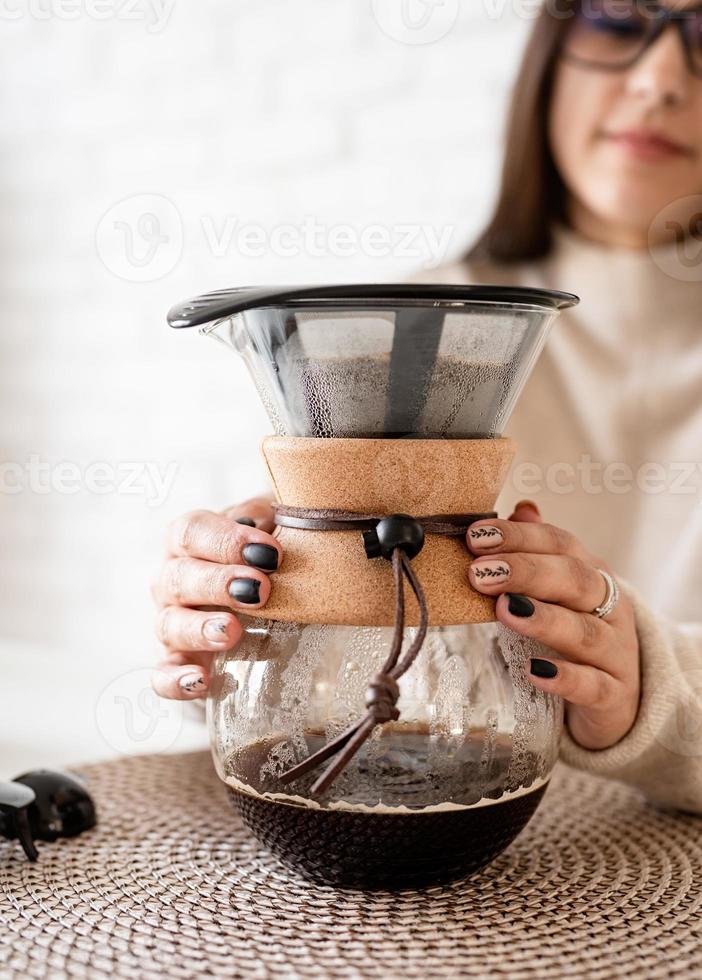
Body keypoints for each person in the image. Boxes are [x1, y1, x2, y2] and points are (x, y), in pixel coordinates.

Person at [150, 0, 702, 813]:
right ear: (550, 49)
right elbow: (318, 695)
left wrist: (652, 692)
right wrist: (237, 619)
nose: (658, 80)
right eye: (619, 18)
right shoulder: (405, 340)